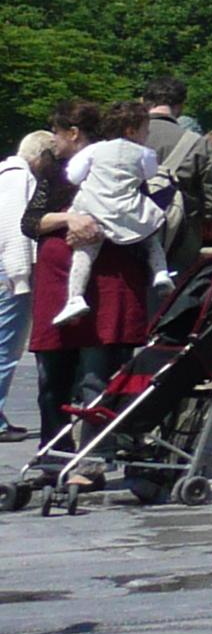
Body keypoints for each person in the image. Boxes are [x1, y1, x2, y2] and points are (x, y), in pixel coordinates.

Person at [21, 103, 152, 446]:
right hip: (57, 287)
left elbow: (142, 220)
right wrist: (69, 220)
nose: (52, 141)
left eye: (57, 133)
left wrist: (100, 228)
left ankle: (90, 458)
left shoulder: (124, 164)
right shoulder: (57, 172)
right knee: (52, 379)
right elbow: (32, 221)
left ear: (74, 133)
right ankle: (53, 453)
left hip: (107, 285)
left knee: (97, 379)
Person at [54, 102, 173, 326]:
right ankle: (161, 272)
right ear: (132, 130)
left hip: (95, 209)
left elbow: (73, 176)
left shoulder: (95, 149)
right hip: (128, 210)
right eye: (146, 129)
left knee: (84, 254)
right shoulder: (144, 153)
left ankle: (75, 297)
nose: (148, 134)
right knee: (151, 239)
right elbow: (150, 173)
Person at [136, 78, 212, 276]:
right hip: (178, 242)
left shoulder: (122, 138)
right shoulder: (199, 144)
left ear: (143, 102)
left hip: (124, 235)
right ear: (180, 107)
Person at [0, 131, 43, 442]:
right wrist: (20, 277)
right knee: (5, 348)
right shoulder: (20, 180)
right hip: (9, 271)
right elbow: (16, 232)